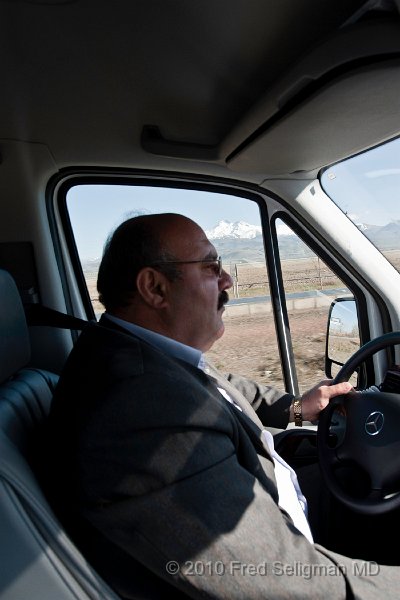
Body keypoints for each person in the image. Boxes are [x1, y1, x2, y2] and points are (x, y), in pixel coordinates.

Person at [42, 213, 400, 599]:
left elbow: (221, 386)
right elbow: (281, 580)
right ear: (155, 288)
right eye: (212, 266)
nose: (228, 280)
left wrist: (297, 408)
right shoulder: (143, 406)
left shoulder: (139, 355)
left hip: (273, 502)